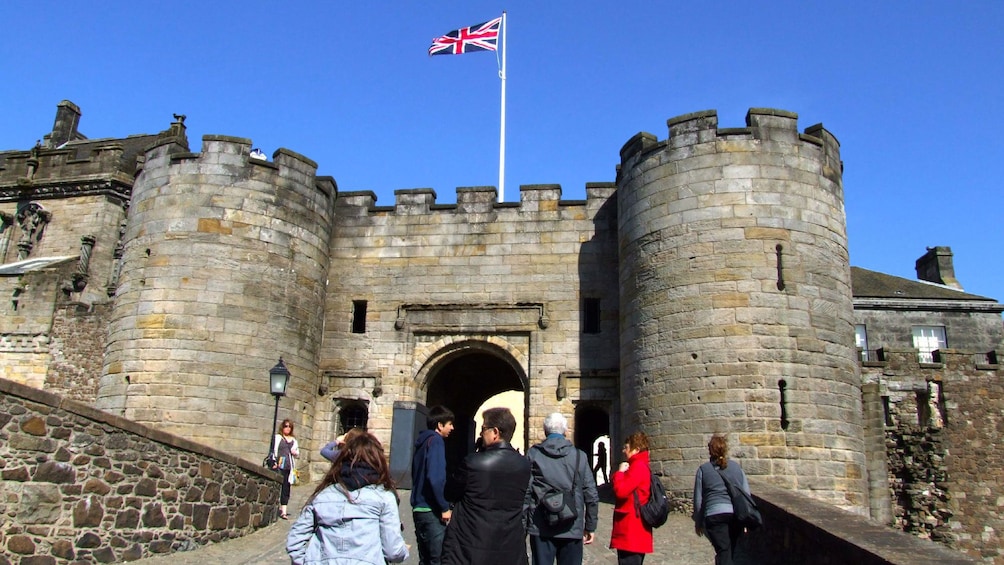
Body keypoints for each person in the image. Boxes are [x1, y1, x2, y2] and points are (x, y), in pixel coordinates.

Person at [286, 432, 409, 564]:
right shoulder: (384, 497)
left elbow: (295, 542)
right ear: (378, 460)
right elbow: (393, 551)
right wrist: (404, 550)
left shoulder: (322, 495)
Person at [442, 407, 532, 565]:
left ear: (495, 432)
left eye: (484, 429)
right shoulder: (524, 465)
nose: (481, 433)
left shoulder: (473, 463)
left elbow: (450, 492)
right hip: (509, 544)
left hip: (469, 544)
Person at [526, 412, 599, 565]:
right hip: (571, 525)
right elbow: (591, 494)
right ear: (565, 431)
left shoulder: (534, 454)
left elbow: (526, 492)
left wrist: (523, 524)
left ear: (546, 431)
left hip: (541, 525)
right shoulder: (579, 456)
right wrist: (590, 526)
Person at [693, 434, 751, 565]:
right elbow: (746, 494)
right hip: (734, 515)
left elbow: (698, 500)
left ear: (710, 450)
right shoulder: (736, 468)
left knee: (723, 551)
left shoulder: (703, 470)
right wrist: (746, 520)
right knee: (728, 551)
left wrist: (698, 521)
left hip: (714, 515)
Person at [410, 405, 455, 565]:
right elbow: (435, 477)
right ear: (439, 425)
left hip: (418, 508)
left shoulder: (422, 442)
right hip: (431, 509)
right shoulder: (436, 441)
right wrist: (444, 507)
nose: (452, 427)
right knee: (438, 559)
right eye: (449, 423)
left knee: (425, 559)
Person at [609, 432, 653, 564]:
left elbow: (621, 491)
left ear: (636, 449)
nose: (623, 450)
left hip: (632, 530)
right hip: (633, 529)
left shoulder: (638, 467)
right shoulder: (639, 465)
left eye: (626, 447)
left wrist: (619, 473)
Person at [271, 418, 300, 520]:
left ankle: (284, 511)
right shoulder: (278, 437)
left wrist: (295, 452)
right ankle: (273, 508)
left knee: (286, 489)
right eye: (286, 426)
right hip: (279, 465)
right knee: (277, 486)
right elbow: (273, 450)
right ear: (282, 427)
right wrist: (273, 462)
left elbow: (297, 453)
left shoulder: (293, 440)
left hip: (289, 467)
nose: (287, 428)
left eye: (289, 427)